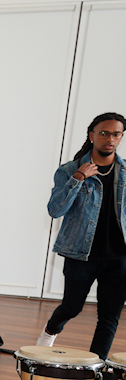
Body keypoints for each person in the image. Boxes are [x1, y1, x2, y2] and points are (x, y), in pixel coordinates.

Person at [37, 113, 126, 360]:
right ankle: (50, 330)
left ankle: (95, 368)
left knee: (109, 317)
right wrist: (78, 179)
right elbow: (55, 210)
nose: (110, 139)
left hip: (119, 257)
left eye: (116, 134)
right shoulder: (69, 170)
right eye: (104, 133)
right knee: (72, 307)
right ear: (92, 136)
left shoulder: (125, 172)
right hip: (81, 254)